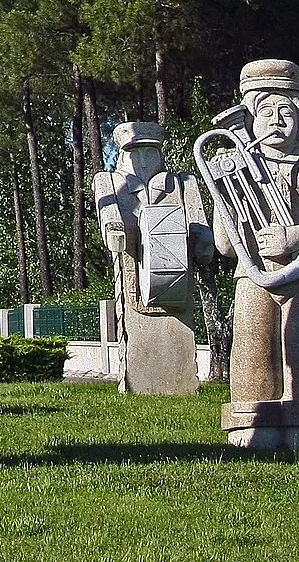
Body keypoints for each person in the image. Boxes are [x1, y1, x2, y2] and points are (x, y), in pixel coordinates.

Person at [214, 59, 299, 448]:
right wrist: (222, 191)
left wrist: (291, 238)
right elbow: (224, 244)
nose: (277, 121)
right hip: (253, 276)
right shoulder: (235, 167)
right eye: (265, 112)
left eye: (287, 111)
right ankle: (251, 419)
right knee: (252, 348)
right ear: (249, 119)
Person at [94, 122, 212, 394]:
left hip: (178, 281)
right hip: (133, 278)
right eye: (136, 152)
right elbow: (110, 223)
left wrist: (204, 241)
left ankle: (182, 383)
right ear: (123, 153)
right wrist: (115, 230)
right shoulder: (108, 181)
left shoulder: (183, 183)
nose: (143, 160)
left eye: (150, 152)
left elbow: (199, 225)